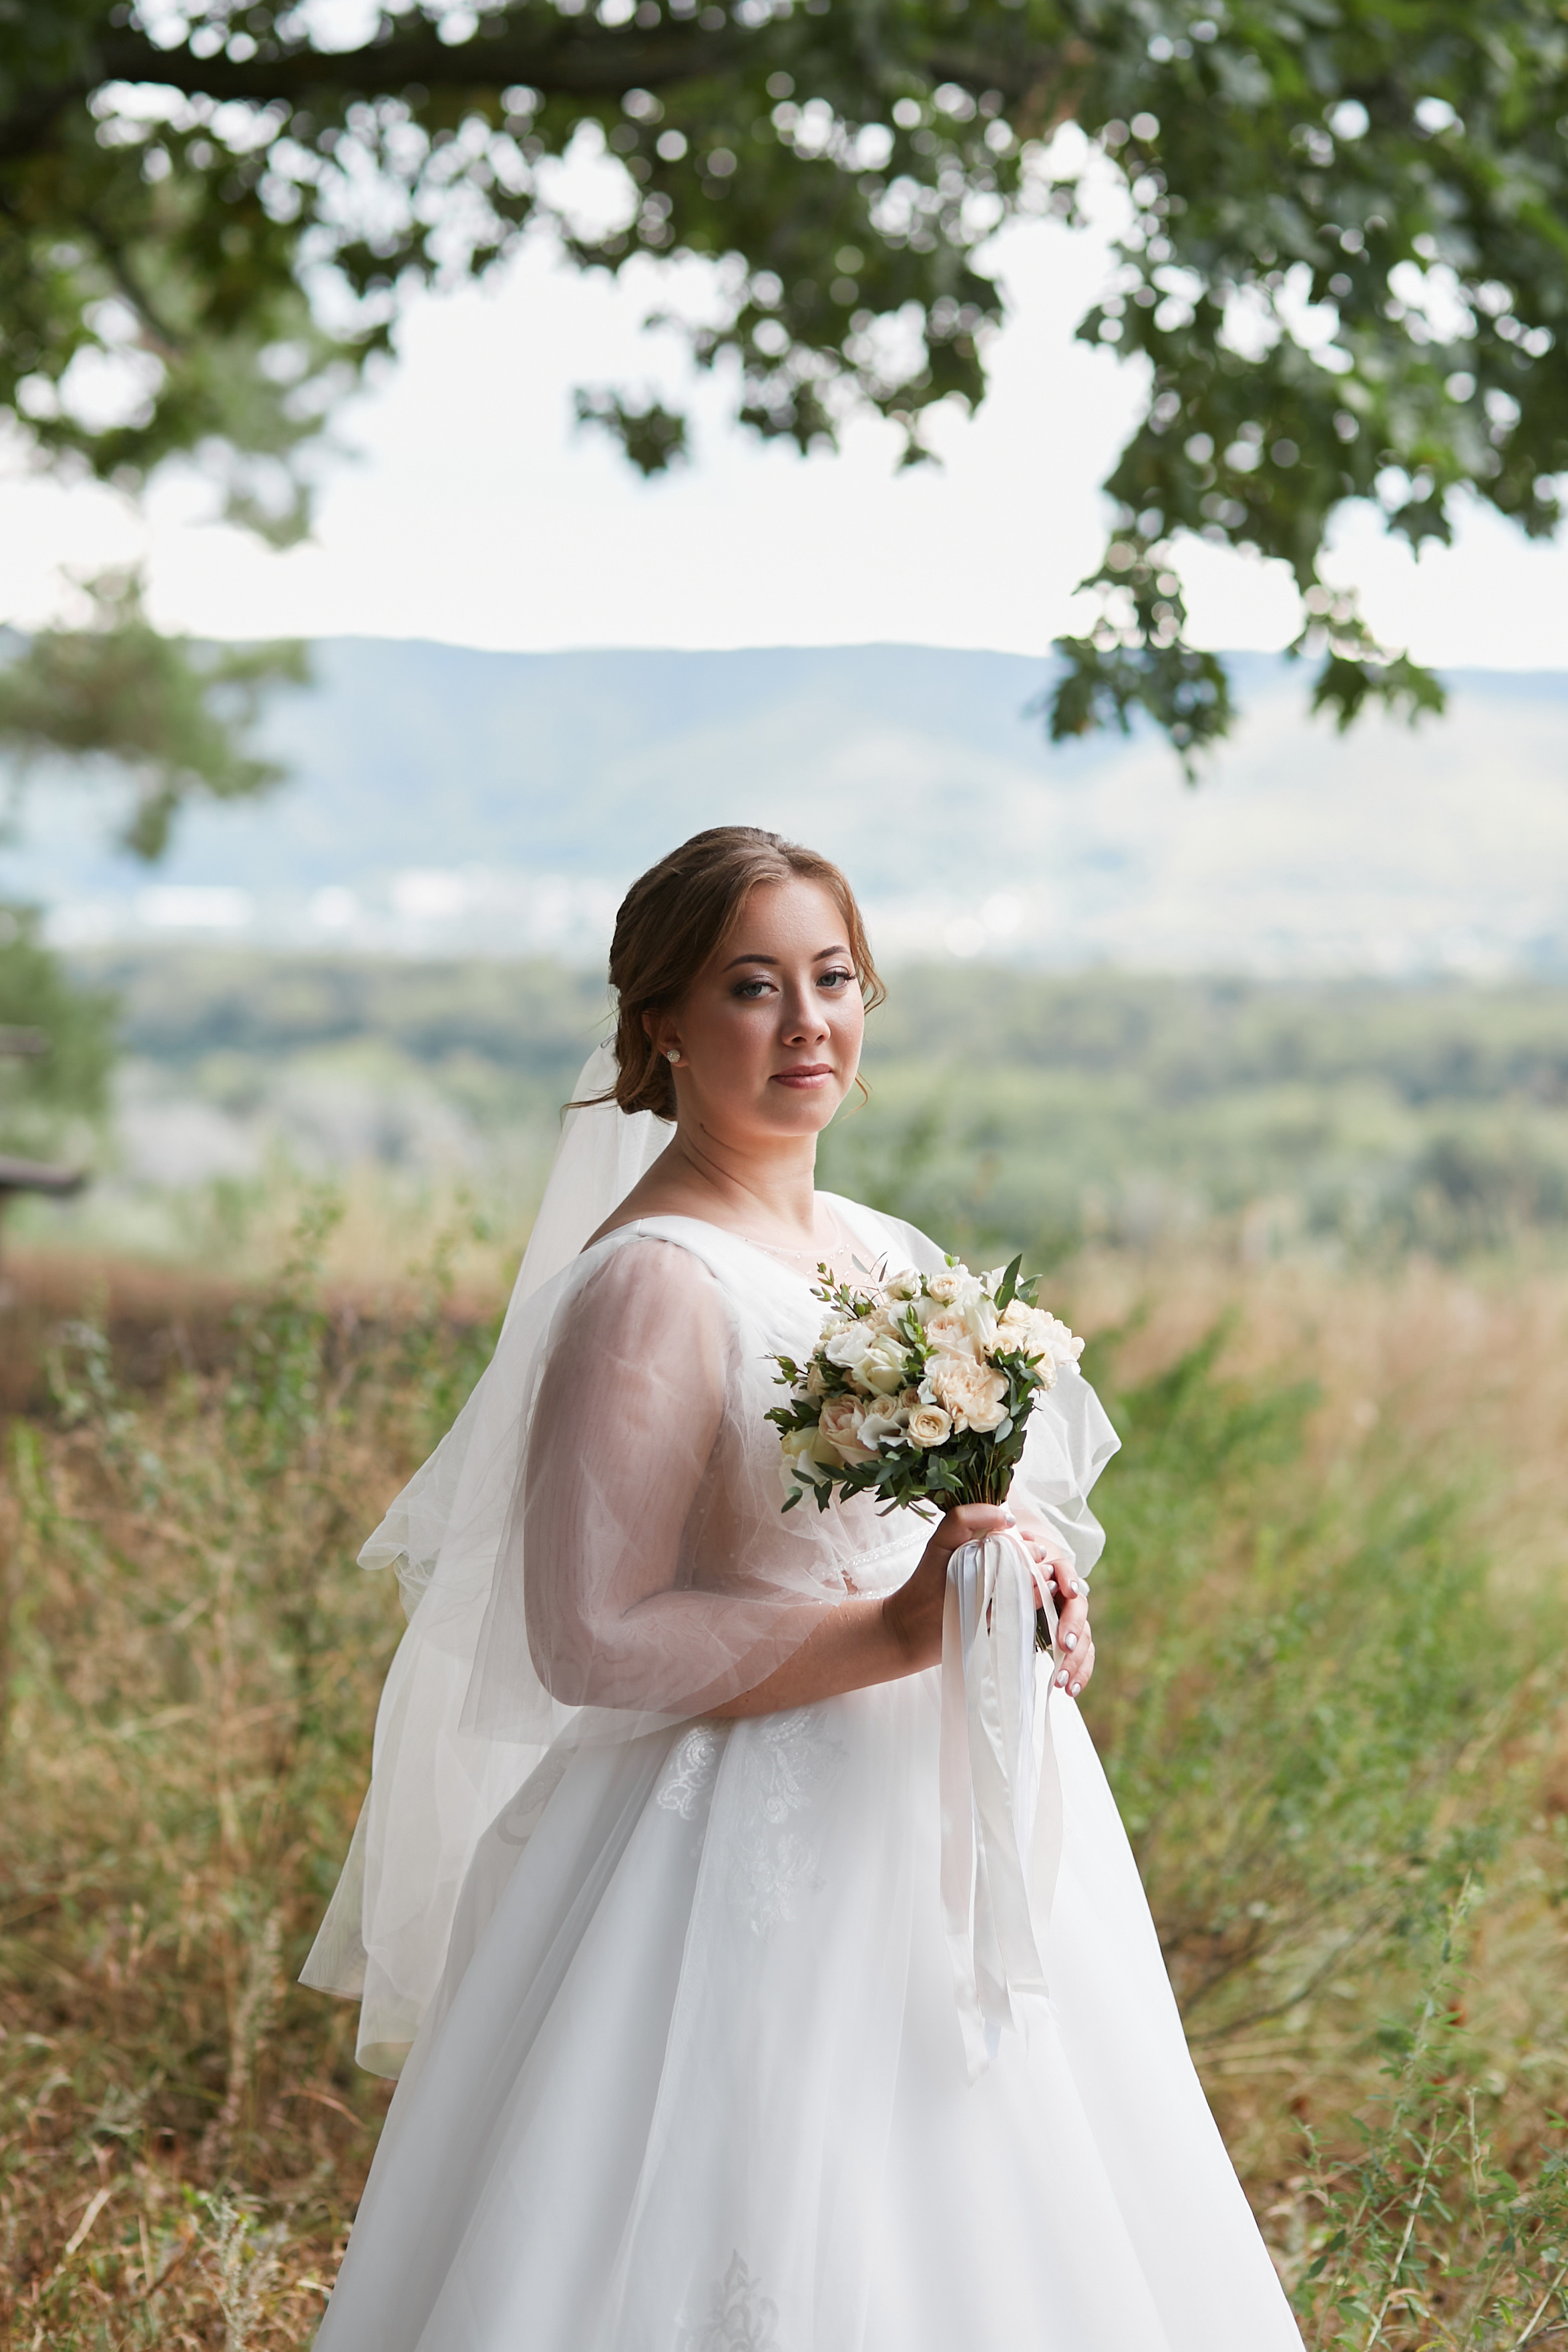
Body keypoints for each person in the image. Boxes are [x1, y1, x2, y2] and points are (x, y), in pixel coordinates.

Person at [302, 826, 1305, 2351]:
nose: (805, 1025)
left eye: (831, 979)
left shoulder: (883, 1251)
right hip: (726, 1853)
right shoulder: (650, 1284)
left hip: (942, 1811)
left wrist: (1021, 1578)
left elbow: (969, 1507)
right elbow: (588, 1636)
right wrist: (901, 1629)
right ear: (661, 1027)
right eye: (750, 988)